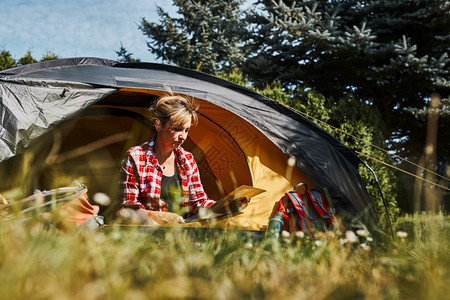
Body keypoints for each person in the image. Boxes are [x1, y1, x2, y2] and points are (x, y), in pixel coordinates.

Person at [118, 91, 215, 224]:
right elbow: (128, 207)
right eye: (177, 129)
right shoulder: (136, 157)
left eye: (186, 130)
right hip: (148, 231)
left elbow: (199, 202)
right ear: (158, 125)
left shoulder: (187, 159)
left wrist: (223, 207)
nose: (183, 137)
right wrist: (163, 218)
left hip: (184, 233)